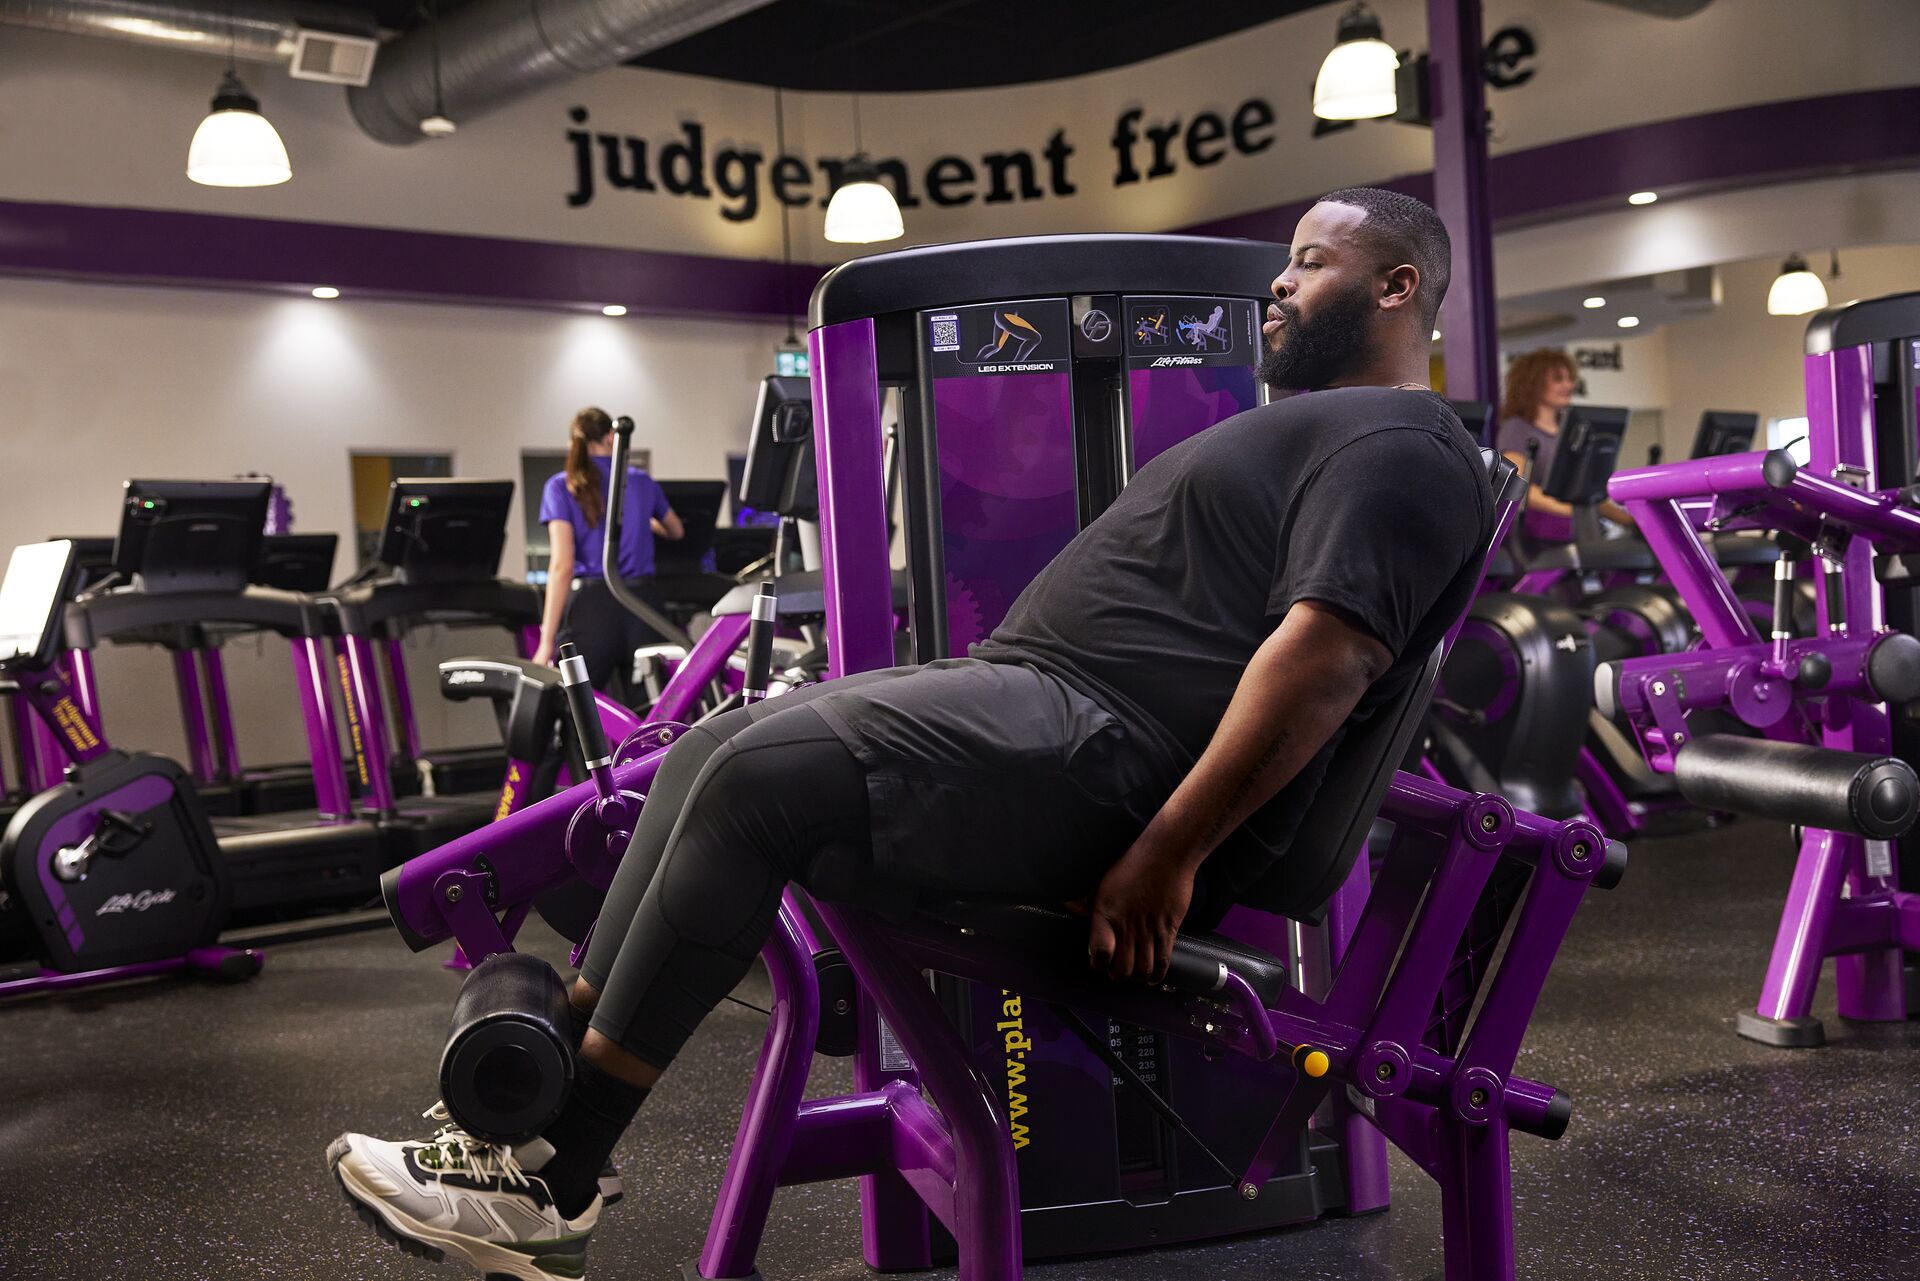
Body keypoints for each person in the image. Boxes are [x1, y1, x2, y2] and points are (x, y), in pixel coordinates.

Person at [328, 188, 1495, 1281]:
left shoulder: (1404, 445)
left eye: (1308, 263)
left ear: (1395, 289)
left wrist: (1169, 854)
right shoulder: (1332, 431)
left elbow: (1326, 661)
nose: (1279, 289)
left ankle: (551, 1183)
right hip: (1051, 698)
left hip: (1108, 746)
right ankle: (523, 1120)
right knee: (711, 746)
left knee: (752, 781)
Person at [531, 407, 685, 692]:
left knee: (582, 715)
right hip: (642, 605)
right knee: (651, 715)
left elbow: (562, 566)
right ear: (611, 437)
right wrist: (646, 523)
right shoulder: (640, 481)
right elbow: (676, 530)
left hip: (593, 611)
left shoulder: (561, 486)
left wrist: (545, 644)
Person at [1496, 348, 1634, 539]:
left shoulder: (1573, 429)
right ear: (1533, 383)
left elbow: (1586, 493)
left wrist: (1634, 520)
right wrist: (1574, 511)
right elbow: (1519, 484)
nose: (1568, 385)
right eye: (1559, 379)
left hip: (1581, 527)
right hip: (1541, 531)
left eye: (1570, 379)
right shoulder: (1516, 428)